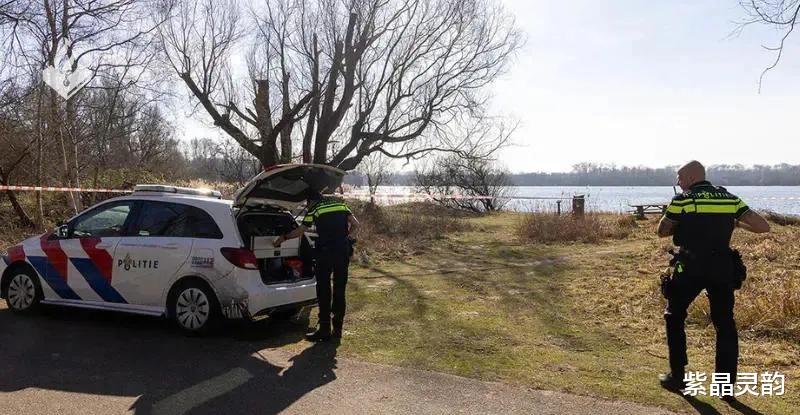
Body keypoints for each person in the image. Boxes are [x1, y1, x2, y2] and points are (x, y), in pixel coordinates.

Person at [656, 161, 770, 399]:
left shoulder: (683, 200)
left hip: (690, 265)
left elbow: (662, 231)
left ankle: (678, 376)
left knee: (674, 315)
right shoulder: (729, 198)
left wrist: (684, 223)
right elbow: (763, 226)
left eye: (680, 178)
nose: (678, 182)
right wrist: (736, 224)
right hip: (721, 267)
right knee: (724, 323)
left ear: (690, 177)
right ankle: (725, 388)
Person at [273, 189, 359, 342]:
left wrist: (283, 238)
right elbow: (356, 225)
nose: (307, 206)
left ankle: (324, 329)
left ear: (311, 201)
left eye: (307, 204)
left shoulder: (315, 209)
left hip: (325, 254)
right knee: (340, 289)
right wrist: (348, 238)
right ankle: (337, 330)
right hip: (342, 252)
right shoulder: (341, 205)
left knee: (323, 289)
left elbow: (300, 231)